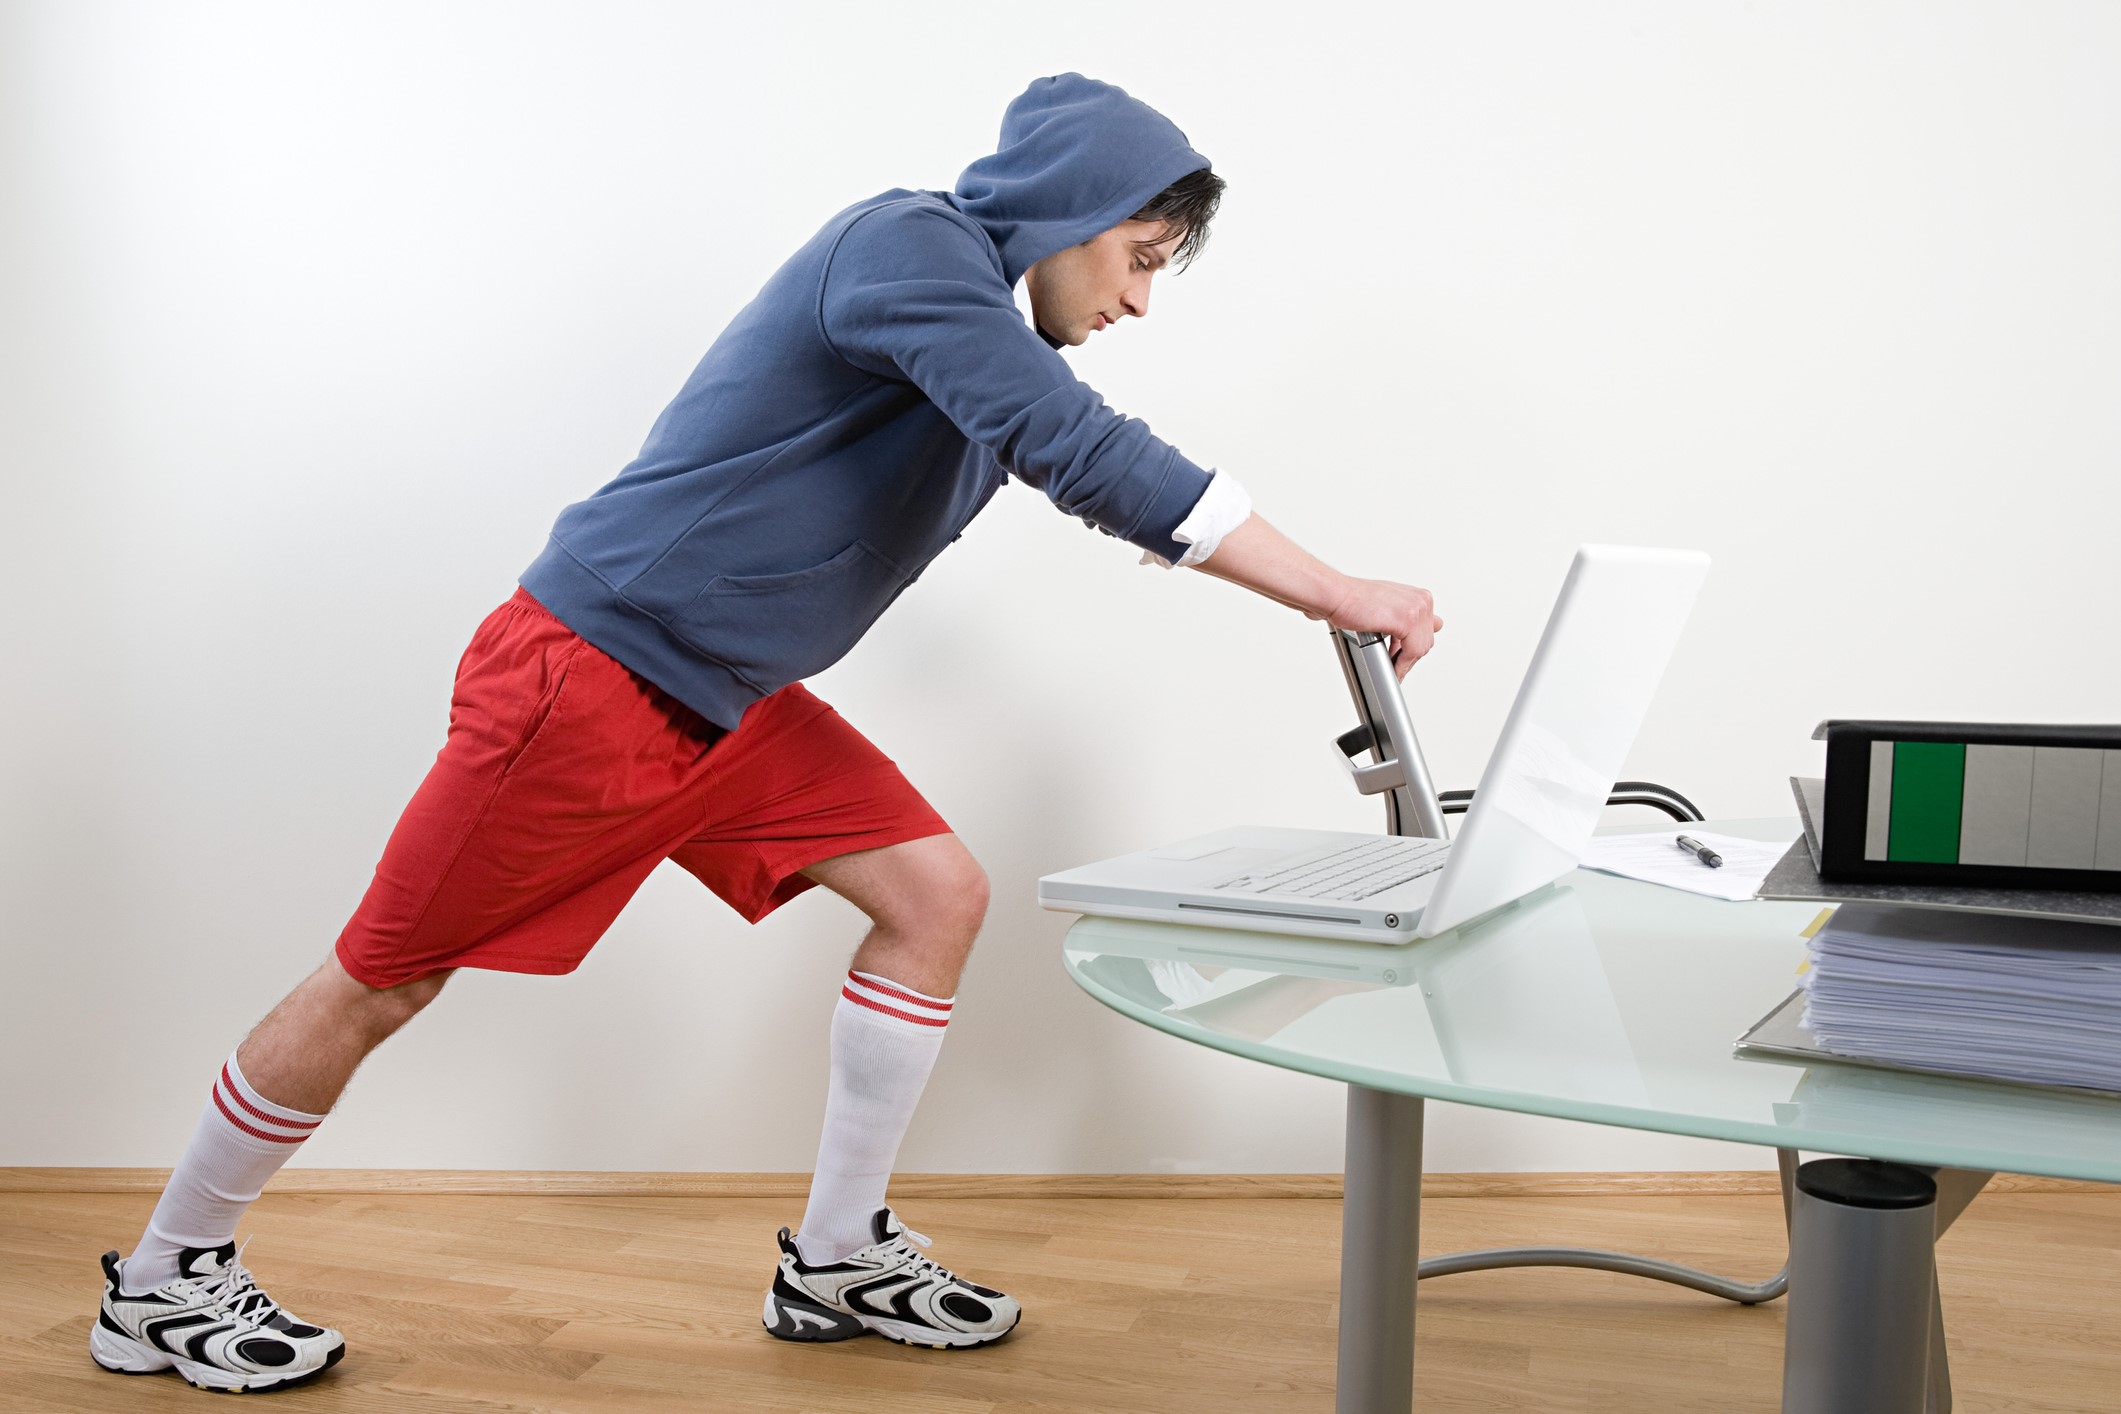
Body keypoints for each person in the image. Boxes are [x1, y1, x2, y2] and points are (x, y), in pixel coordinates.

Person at [90, 72, 1442, 1392]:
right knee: (380, 978)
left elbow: (996, 459)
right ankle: (159, 1279)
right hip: (593, 674)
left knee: (933, 893)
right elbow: (1079, 451)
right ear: (1065, 213)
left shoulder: (982, 328)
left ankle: (835, 1257)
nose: (1140, 298)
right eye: (1138, 257)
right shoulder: (908, 248)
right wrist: (1337, 587)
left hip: (725, 700)